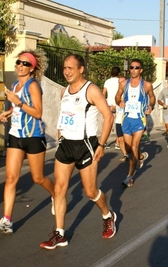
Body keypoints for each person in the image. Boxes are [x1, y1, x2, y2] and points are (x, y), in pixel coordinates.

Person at [39, 54, 116, 250]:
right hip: (66, 145)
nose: (66, 71)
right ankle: (60, 234)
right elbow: (64, 115)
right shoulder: (64, 91)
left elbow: (108, 117)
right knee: (59, 189)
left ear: (81, 69)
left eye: (70, 68)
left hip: (86, 145)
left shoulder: (91, 90)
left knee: (90, 191)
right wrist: (60, 135)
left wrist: (102, 145)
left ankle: (108, 215)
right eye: (65, 68)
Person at [0, 49, 55, 234]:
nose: (20, 66)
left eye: (25, 63)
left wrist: (17, 102)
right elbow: (19, 108)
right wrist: (9, 112)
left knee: (38, 178)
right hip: (16, 135)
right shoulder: (14, 85)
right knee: (10, 178)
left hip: (33, 136)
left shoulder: (33, 85)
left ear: (32, 68)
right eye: (19, 62)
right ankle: (7, 220)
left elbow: (37, 112)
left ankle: (55, 194)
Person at [115, 59, 156, 187]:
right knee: (128, 149)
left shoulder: (147, 85)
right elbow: (117, 96)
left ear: (141, 70)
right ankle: (141, 156)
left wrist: (151, 106)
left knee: (133, 147)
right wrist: (119, 102)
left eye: (136, 68)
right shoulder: (124, 84)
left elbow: (152, 97)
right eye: (131, 67)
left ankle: (129, 177)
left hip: (139, 120)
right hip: (126, 119)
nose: (133, 70)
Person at [102, 66, 121, 149]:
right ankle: (117, 143)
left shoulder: (107, 81)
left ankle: (104, 142)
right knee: (118, 123)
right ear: (119, 73)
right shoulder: (120, 82)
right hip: (118, 104)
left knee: (107, 124)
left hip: (109, 105)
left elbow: (103, 93)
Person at [115, 76, 129, 162]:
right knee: (120, 139)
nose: (120, 83)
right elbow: (114, 106)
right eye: (119, 82)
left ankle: (134, 153)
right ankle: (126, 154)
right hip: (118, 120)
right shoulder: (117, 94)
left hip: (127, 120)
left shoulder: (129, 93)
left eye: (122, 81)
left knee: (128, 139)